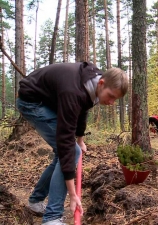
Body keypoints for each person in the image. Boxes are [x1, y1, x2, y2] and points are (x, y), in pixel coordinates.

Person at [17, 62, 128, 225]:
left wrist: (80, 139)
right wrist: (73, 194)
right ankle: (52, 217)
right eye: (111, 96)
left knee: (66, 154)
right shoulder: (73, 91)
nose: (111, 102)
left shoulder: (94, 84)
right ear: (102, 83)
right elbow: (65, 140)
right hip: (32, 102)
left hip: (48, 101)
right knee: (70, 152)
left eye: (115, 99)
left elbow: (83, 108)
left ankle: (36, 201)